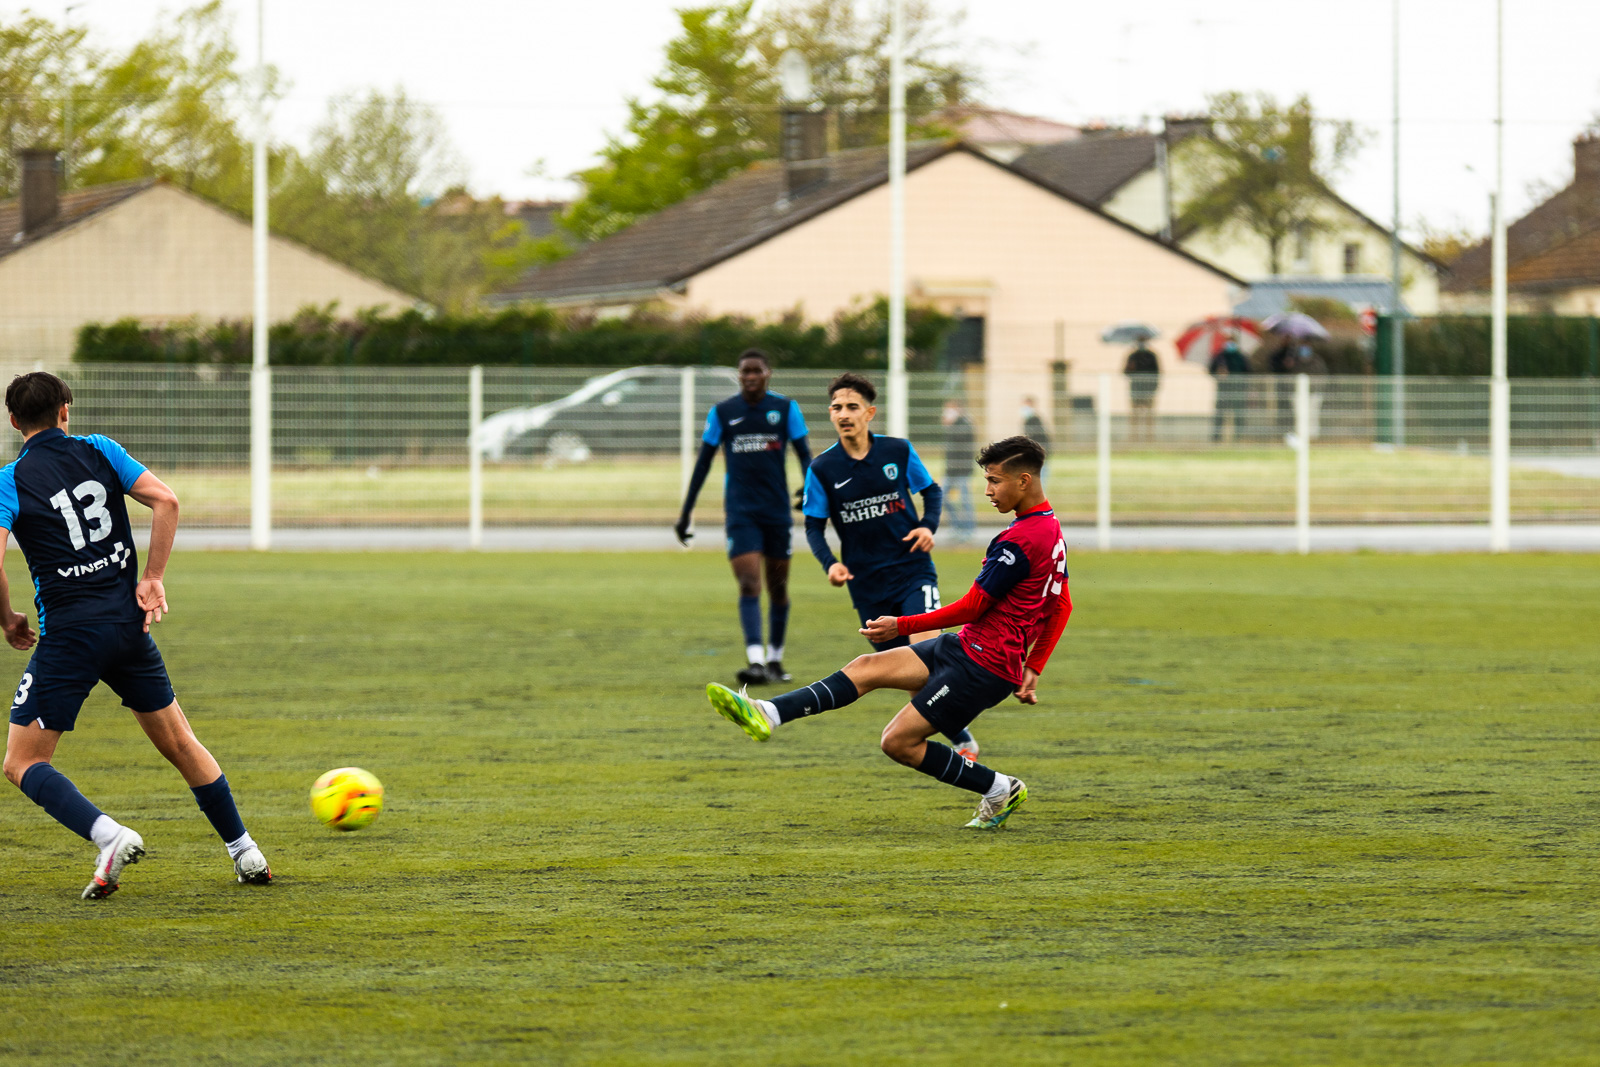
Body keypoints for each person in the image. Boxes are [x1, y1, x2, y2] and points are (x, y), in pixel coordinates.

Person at [706, 435, 1071, 831]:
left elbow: (973, 607)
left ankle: (999, 787)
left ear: (1024, 480)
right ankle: (769, 713)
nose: (987, 491)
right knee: (865, 667)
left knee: (897, 742)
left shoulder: (1020, 540)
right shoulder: (1049, 530)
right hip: (967, 647)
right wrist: (1034, 665)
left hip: (984, 667)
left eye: (994, 481)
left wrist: (902, 625)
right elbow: (1061, 603)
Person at [0, 371, 271, 899]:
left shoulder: (9, 479)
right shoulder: (100, 450)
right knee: (179, 741)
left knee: (22, 762)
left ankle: (109, 836)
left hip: (71, 636)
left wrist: (7, 618)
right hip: (129, 627)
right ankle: (246, 851)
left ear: (13, 422)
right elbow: (166, 500)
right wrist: (153, 578)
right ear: (66, 411)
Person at [800, 373, 978, 761]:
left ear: (869, 412)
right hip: (866, 587)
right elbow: (813, 524)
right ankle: (960, 736)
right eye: (836, 408)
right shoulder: (823, 468)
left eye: (851, 407)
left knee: (925, 653)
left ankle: (962, 744)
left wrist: (927, 527)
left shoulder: (897, 451)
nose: (843, 414)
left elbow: (931, 490)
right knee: (911, 675)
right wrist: (831, 564)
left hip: (913, 572)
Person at [676, 350, 812, 686]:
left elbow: (806, 455)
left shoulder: (785, 409)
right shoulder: (723, 413)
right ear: (739, 376)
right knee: (749, 583)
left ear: (769, 373)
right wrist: (686, 512)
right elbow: (703, 463)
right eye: (744, 372)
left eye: (757, 371)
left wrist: (810, 491)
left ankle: (775, 659)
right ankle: (755, 662)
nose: (750, 377)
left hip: (777, 512)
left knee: (778, 588)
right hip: (740, 512)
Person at [940, 400, 977, 542]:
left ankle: (968, 529)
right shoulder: (953, 425)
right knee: (942, 497)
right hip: (951, 470)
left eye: (949, 410)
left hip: (963, 469)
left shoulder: (965, 424)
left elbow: (963, 438)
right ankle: (957, 525)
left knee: (965, 500)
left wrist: (952, 425)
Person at [1209, 337, 1251, 443]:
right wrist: (1218, 373)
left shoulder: (1241, 357)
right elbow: (1211, 370)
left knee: (1238, 415)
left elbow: (1248, 372)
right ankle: (1216, 437)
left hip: (1238, 390)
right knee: (1220, 415)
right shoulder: (1220, 357)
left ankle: (1238, 437)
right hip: (1223, 390)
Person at [1123, 345, 1160, 442]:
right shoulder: (1132, 356)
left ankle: (1149, 437)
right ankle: (1134, 437)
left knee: (1149, 415)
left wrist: (1154, 388)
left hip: (1149, 390)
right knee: (1134, 414)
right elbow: (1125, 372)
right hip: (1135, 389)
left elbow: (1157, 373)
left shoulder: (1151, 356)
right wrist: (1130, 367)